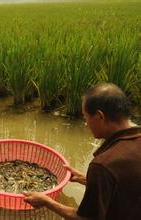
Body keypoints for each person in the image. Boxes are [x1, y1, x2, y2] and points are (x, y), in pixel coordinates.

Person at [24, 83, 141, 220]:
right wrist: (87, 180)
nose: (86, 124)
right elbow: (126, 186)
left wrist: (47, 202)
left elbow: (85, 218)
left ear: (99, 116)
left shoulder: (103, 165)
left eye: (85, 117)